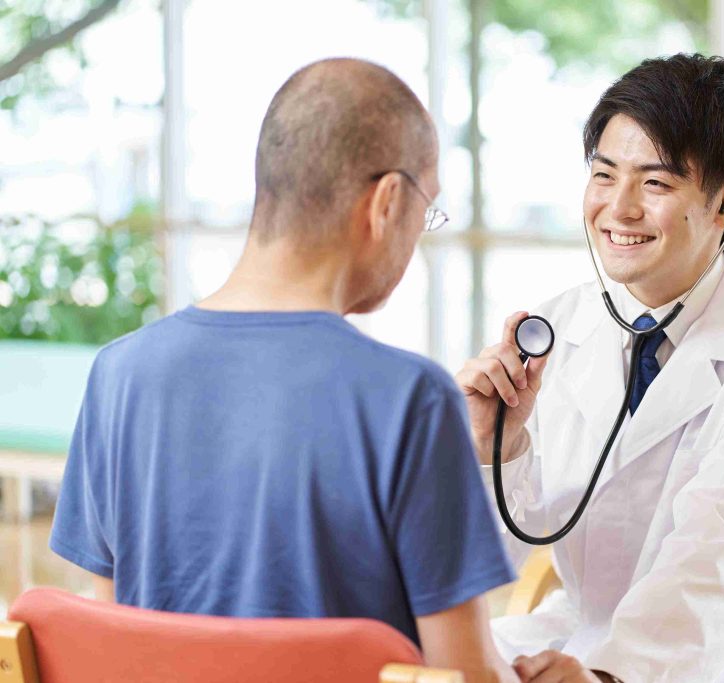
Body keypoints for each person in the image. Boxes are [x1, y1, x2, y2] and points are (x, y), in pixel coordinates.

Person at [50, 58, 519, 683]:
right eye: (425, 212)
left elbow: (108, 640)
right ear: (387, 202)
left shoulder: (118, 376)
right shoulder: (411, 399)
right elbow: (464, 676)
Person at [457, 54, 724, 683]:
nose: (619, 208)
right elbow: (500, 547)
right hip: (576, 630)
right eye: (603, 175)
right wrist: (492, 447)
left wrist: (614, 676)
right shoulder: (559, 325)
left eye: (656, 184)